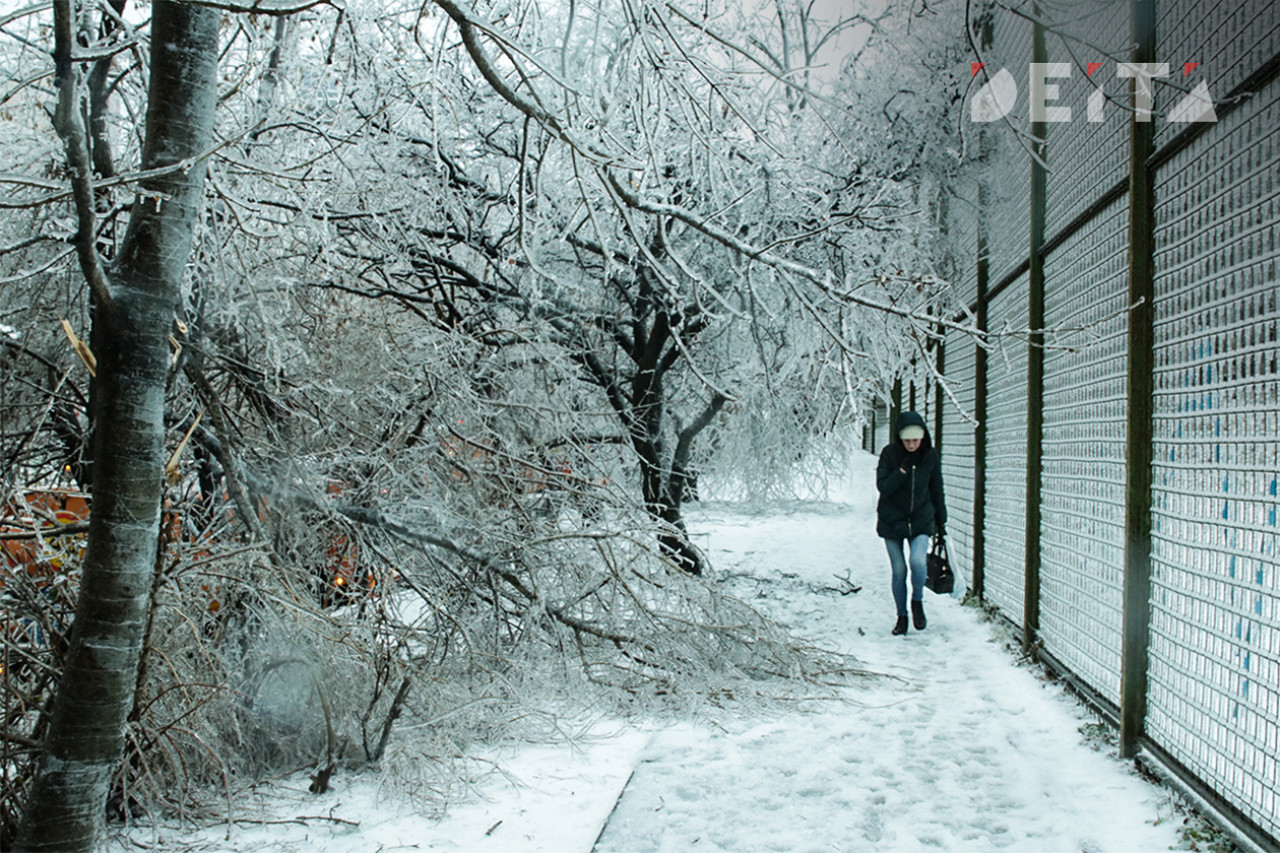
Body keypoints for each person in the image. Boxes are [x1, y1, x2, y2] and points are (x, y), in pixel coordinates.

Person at [875, 411, 947, 635]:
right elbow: (883, 487)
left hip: (920, 519)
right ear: (900, 439)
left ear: (923, 438)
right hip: (892, 521)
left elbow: (937, 489)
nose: (912, 445)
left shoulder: (930, 456)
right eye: (907, 441)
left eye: (916, 440)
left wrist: (941, 521)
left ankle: (917, 602)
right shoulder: (889, 454)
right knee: (899, 570)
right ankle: (901, 617)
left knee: (918, 562)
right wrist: (903, 469)